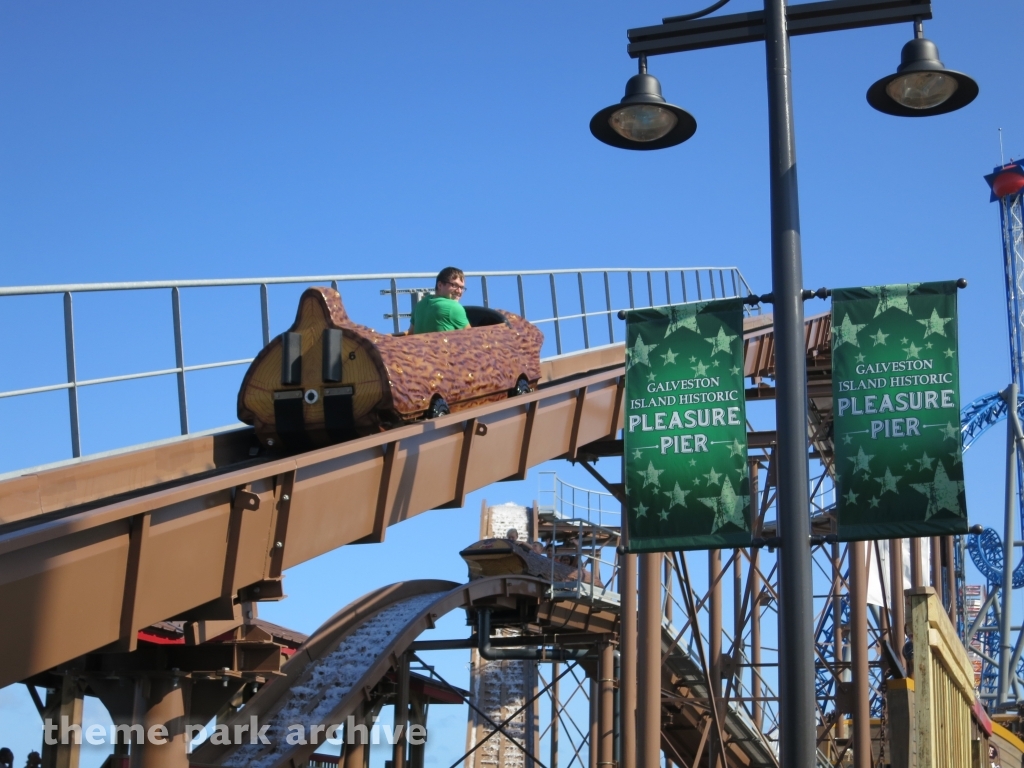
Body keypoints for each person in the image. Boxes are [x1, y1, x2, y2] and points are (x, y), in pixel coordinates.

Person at [409, 267, 469, 334]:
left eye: (462, 287)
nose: (459, 291)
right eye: (454, 285)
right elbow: (473, 337)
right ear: (440, 285)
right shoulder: (453, 307)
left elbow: (410, 333)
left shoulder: (419, 305)